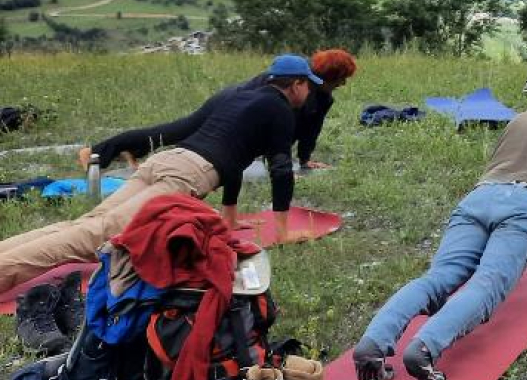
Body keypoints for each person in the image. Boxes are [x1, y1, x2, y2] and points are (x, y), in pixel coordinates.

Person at [351, 73, 527, 380]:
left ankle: (373, 342)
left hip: (479, 197)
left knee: (437, 278)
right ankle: (424, 348)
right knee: (486, 284)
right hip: (526, 204)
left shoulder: (519, 120)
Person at [0, 54, 320, 293]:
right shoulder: (279, 111)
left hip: (166, 161)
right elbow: (281, 170)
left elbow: (232, 158)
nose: (310, 94)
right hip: (185, 176)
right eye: (309, 86)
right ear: (296, 85)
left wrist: (230, 219)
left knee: (85, 224)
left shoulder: (239, 97)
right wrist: (282, 231)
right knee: (94, 237)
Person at [81, 48, 359, 171]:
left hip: (239, 103)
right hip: (229, 103)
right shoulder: (299, 84)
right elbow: (280, 127)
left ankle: (130, 151)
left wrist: (304, 159)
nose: (344, 84)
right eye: (341, 79)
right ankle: (96, 151)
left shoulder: (321, 97)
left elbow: (308, 130)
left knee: (177, 135)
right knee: (179, 132)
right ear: (329, 76)